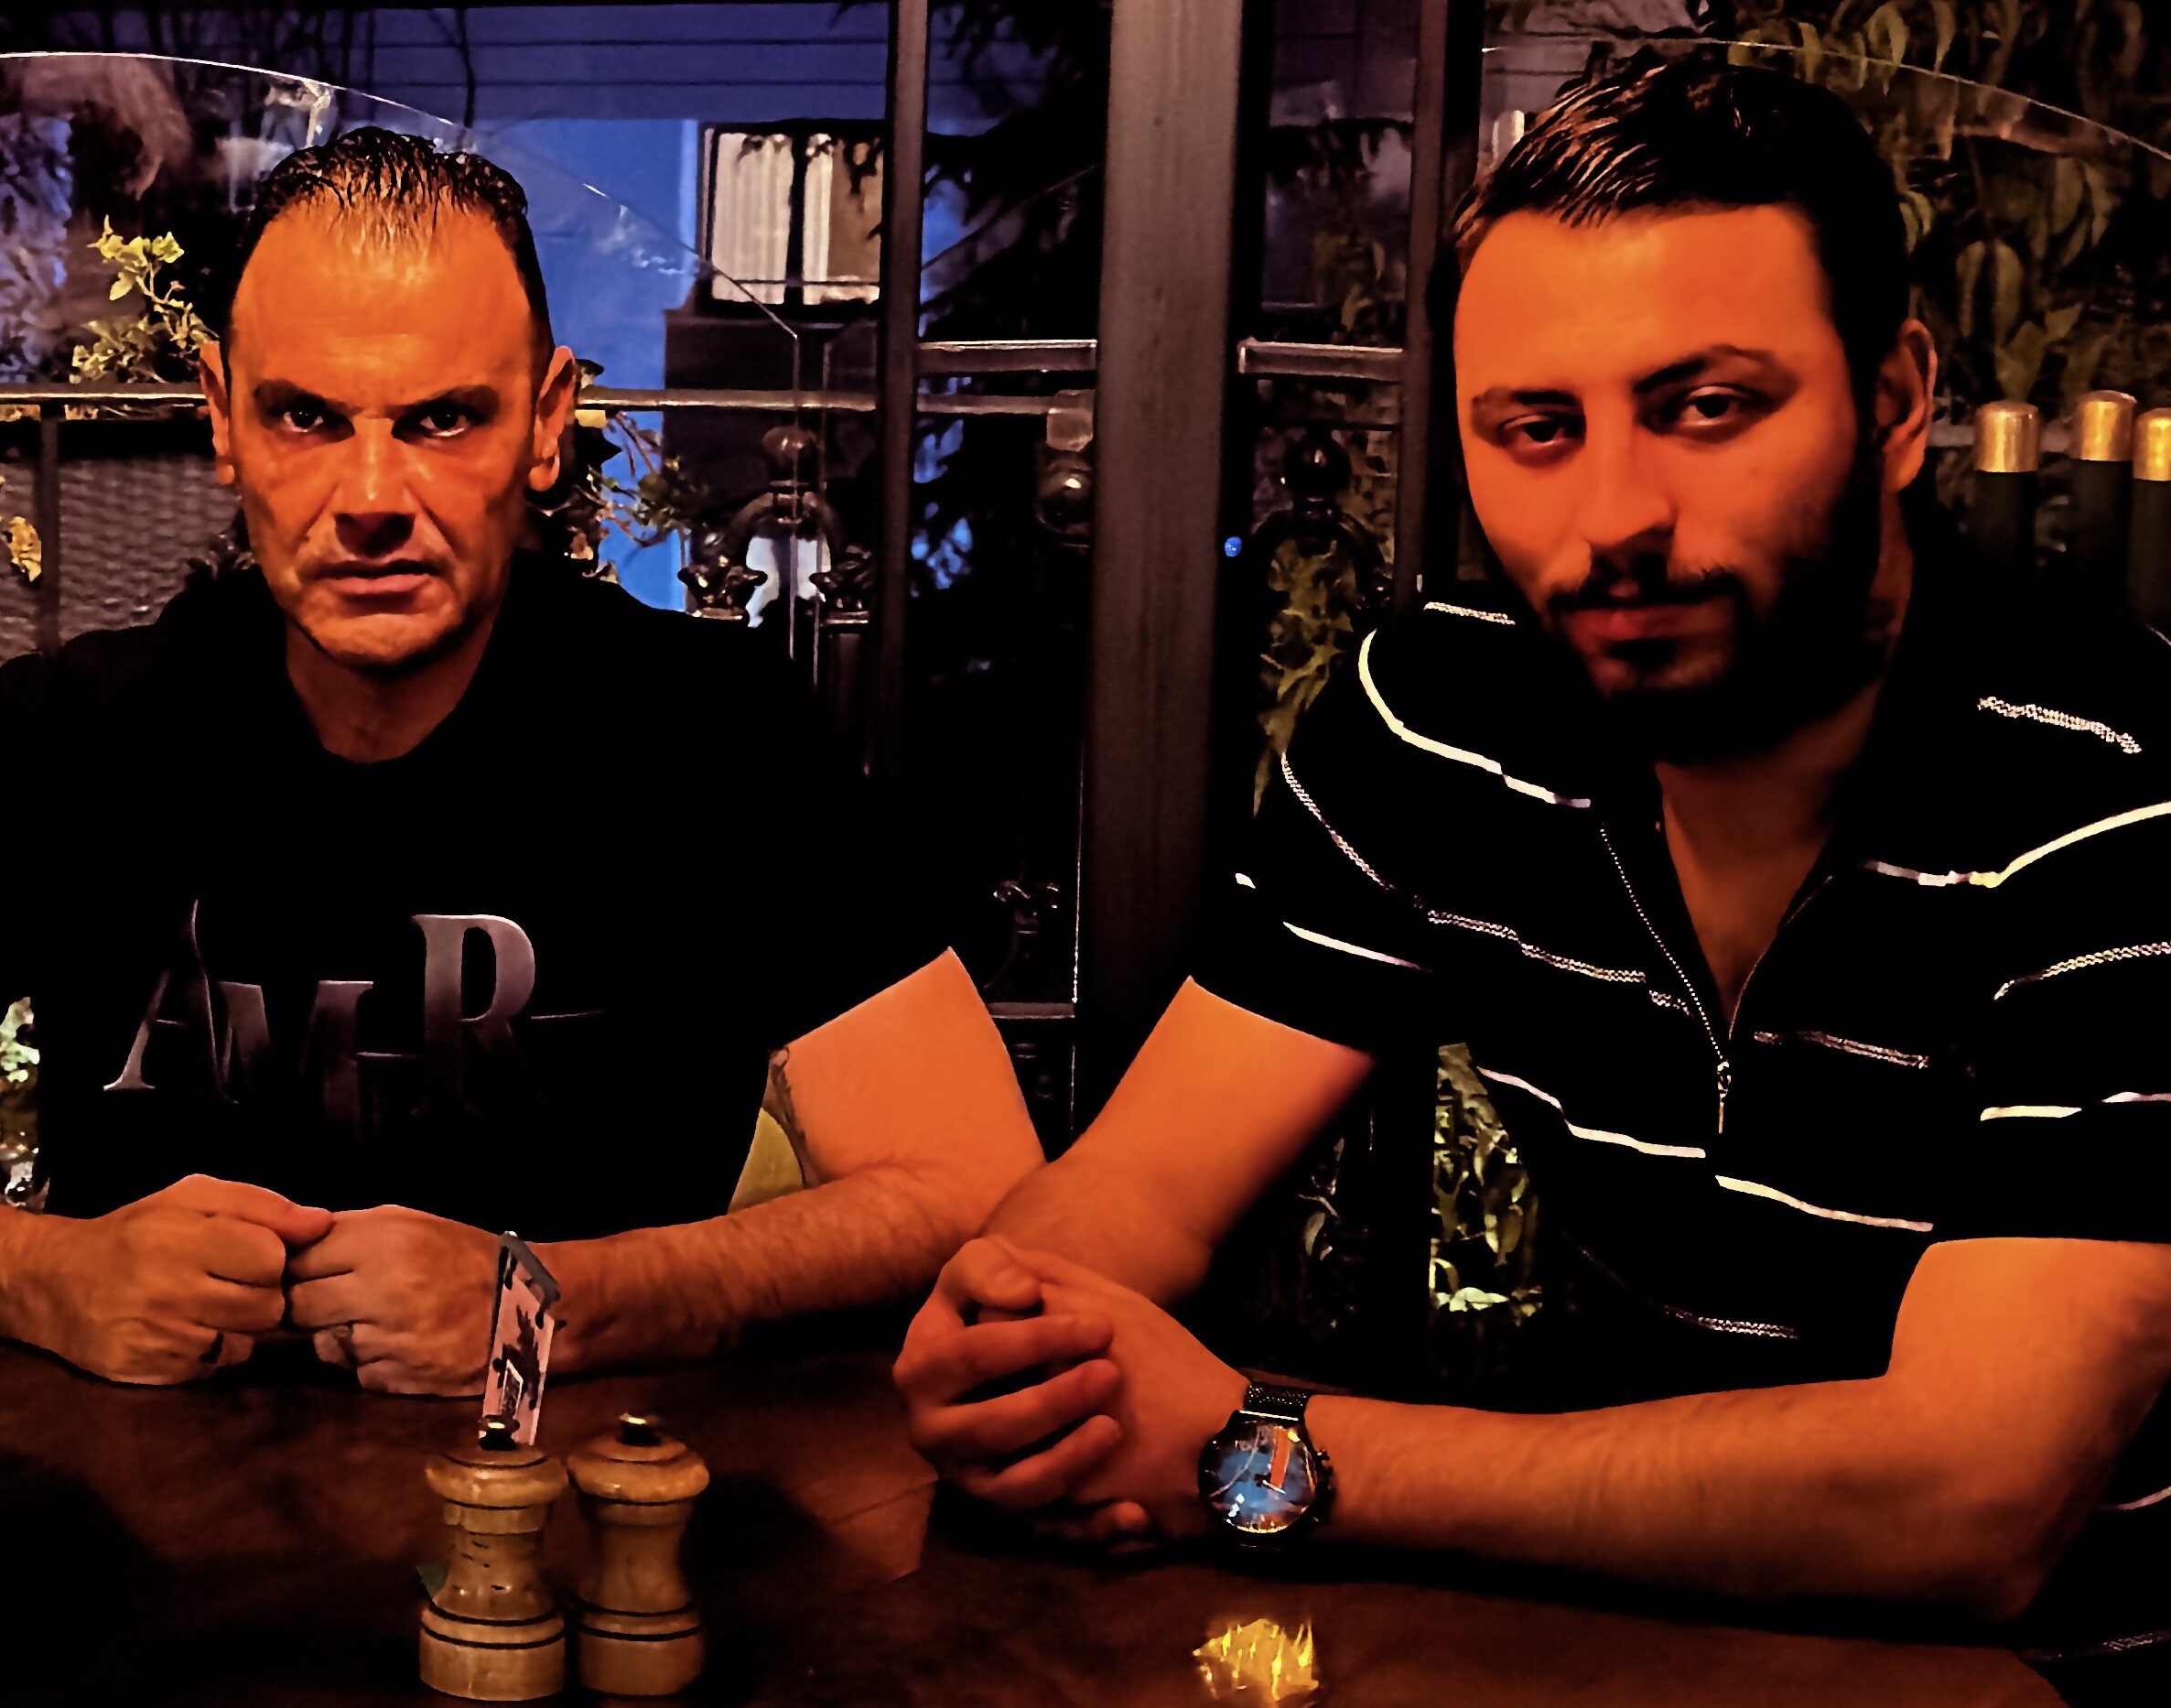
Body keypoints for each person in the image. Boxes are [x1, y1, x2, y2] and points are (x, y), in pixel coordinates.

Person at [894, 56, 2171, 1679]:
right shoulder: (1446, 716)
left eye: (1705, 408)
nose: (1614, 516)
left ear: (1897, 401)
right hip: (1610, 1649)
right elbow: (1132, 1194)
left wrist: (1259, 1454)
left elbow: (1970, 1502)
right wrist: (1017, 1343)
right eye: (1537, 429)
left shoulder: (2112, 795)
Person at [0, 128, 1040, 1396]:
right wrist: (43, 1278)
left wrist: (554, 1307)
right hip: (135, 1501)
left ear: (544, 423)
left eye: (441, 419)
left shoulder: (711, 736)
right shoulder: (73, 740)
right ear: (223, 419)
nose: (372, 495)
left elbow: (973, 1186)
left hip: (589, 1494)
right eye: (307, 418)